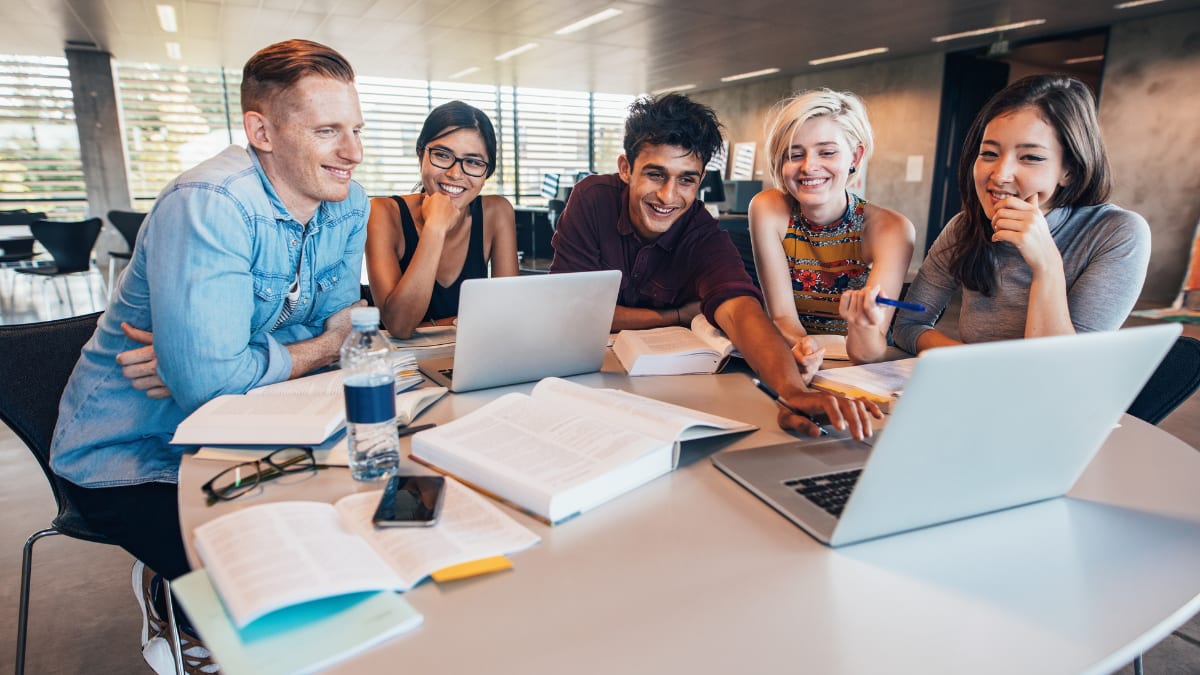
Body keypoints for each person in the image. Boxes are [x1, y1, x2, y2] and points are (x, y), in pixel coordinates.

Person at [49, 39, 368, 672]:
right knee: (279, 594)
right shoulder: (210, 204)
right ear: (262, 130)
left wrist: (219, 361)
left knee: (352, 532)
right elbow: (234, 379)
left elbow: (336, 334)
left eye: (356, 129)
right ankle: (175, 601)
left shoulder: (347, 201)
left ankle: (187, 586)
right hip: (134, 450)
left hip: (256, 429)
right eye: (328, 131)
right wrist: (306, 346)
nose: (353, 152)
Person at [550, 93, 879, 438]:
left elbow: (740, 310)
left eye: (686, 180)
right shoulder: (592, 199)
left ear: (701, 178)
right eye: (655, 175)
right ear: (626, 169)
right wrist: (676, 315)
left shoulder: (701, 232)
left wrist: (792, 391)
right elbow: (572, 311)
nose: (668, 196)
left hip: (663, 391)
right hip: (583, 380)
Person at [892, 74, 1150, 354]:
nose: (1000, 175)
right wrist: (970, 364)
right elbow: (908, 325)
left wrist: (1046, 264)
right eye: (989, 153)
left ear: (1069, 170)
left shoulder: (1117, 232)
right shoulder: (965, 227)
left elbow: (1061, 368)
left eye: (1030, 157)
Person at [749, 89, 914, 364]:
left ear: (855, 157)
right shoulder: (768, 209)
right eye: (794, 154)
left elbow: (868, 353)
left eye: (826, 152)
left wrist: (863, 325)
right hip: (796, 358)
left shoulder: (892, 229)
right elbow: (783, 318)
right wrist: (805, 351)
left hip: (859, 369)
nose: (809, 166)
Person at [365, 101, 518, 338]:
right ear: (420, 155)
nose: (455, 174)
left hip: (473, 356)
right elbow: (399, 326)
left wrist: (431, 326)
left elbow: (508, 315)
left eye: (474, 162)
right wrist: (435, 227)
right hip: (405, 365)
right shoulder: (382, 213)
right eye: (442, 155)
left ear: (486, 172)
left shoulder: (496, 212)